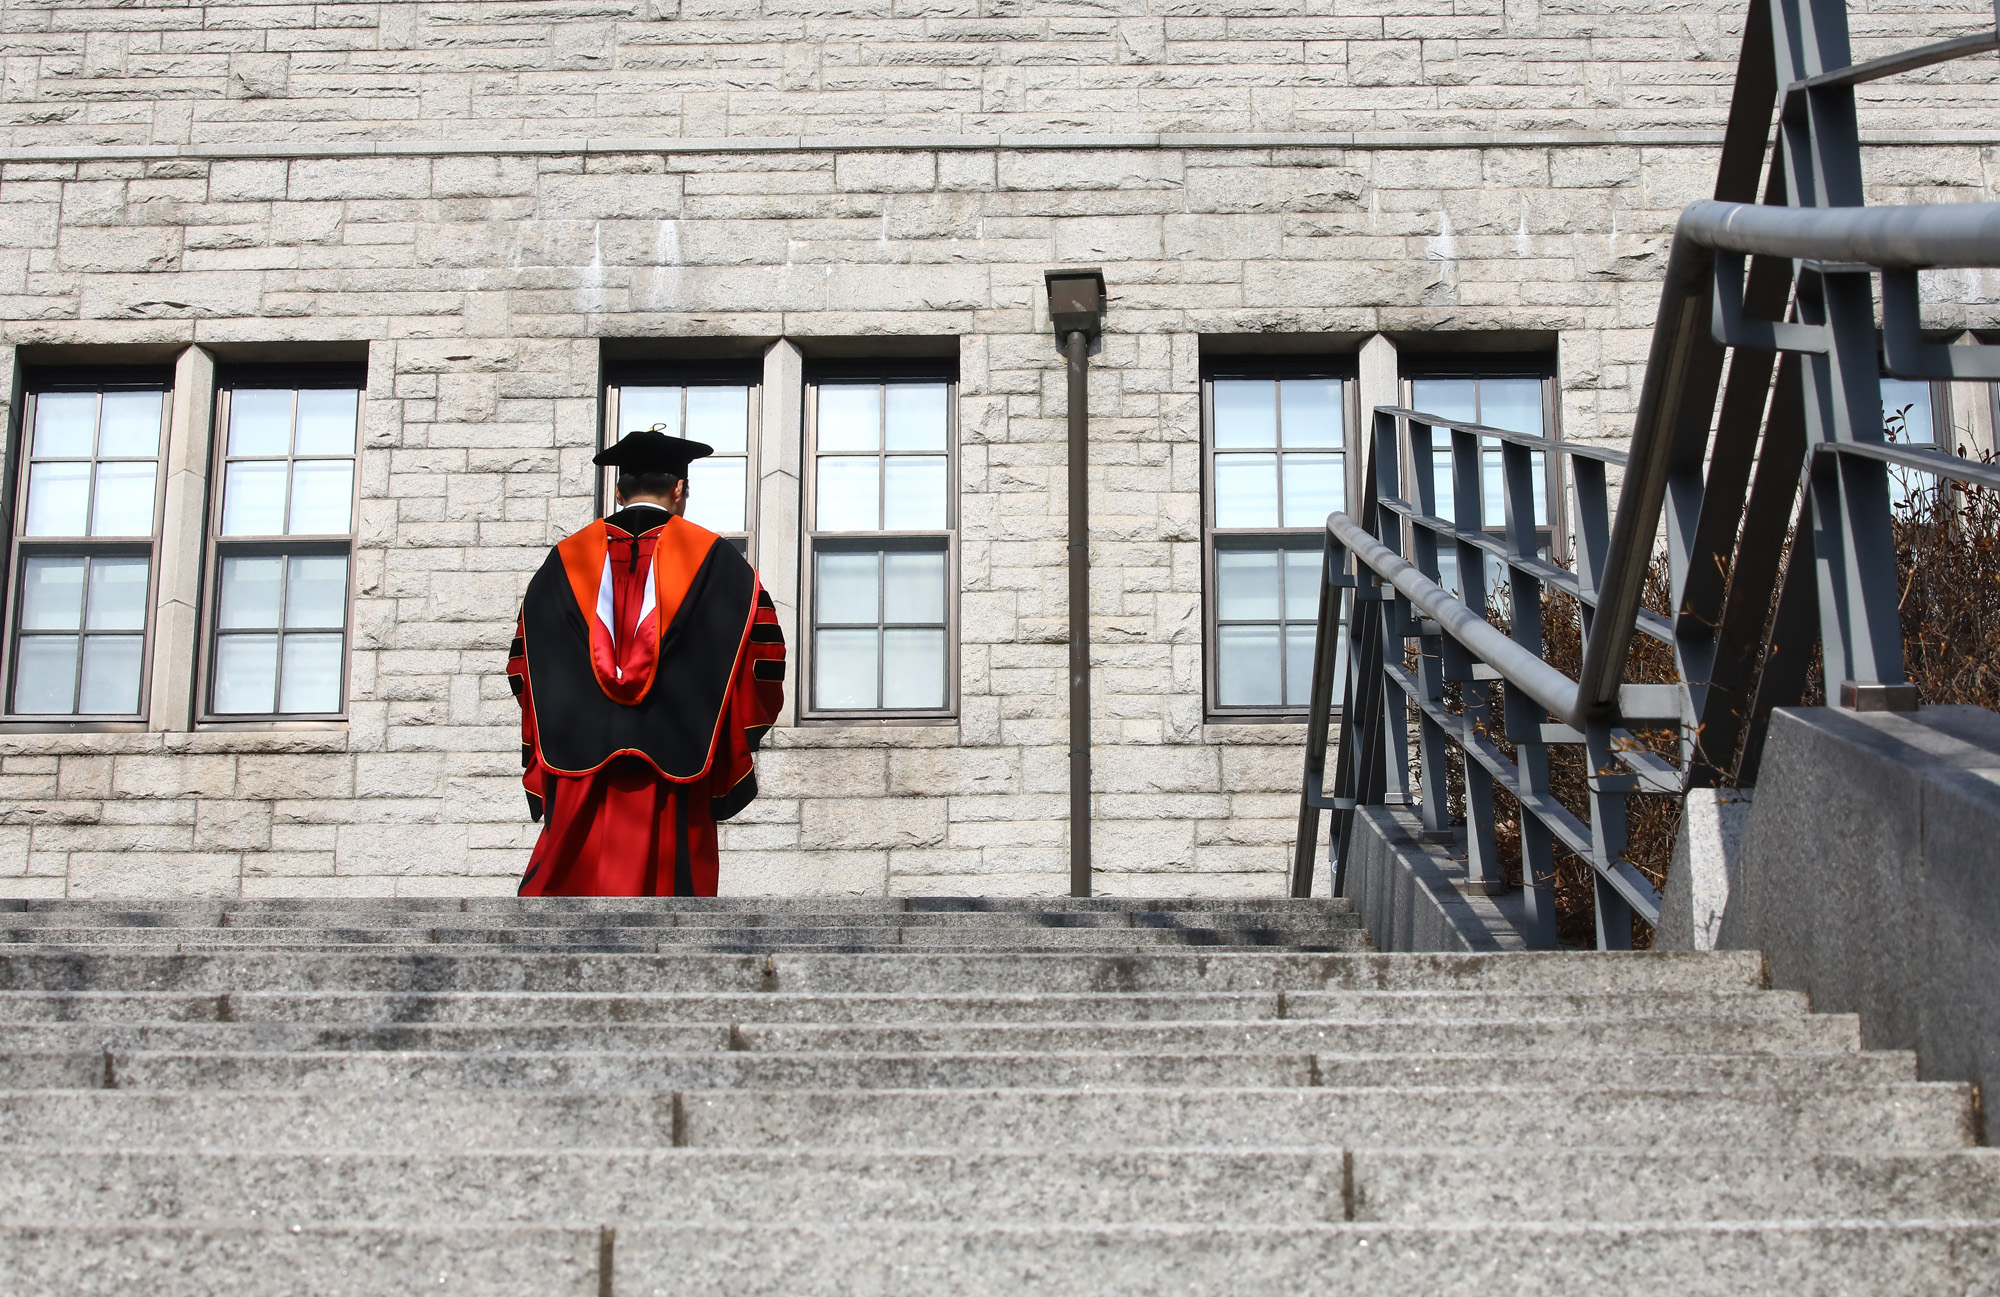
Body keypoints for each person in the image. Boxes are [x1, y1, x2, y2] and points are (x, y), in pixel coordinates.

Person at [506, 428, 785, 896]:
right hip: (679, 764)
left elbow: (524, 666)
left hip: (578, 765)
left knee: (565, 889)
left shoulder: (563, 561)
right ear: (679, 489)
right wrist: (729, 732)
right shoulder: (719, 561)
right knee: (671, 901)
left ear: (618, 492)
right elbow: (763, 660)